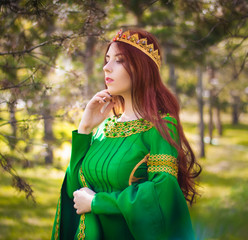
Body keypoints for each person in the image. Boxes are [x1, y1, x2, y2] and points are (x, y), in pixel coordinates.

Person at [51, 29, 201, 240]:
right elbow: (74, 192)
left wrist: (97, 203)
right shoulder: (105, 128)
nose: (106, 67)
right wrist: (84, 129)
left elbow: (162, 195)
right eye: (107, 59)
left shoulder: (161, 127)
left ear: (142, 68)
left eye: (119, 60)